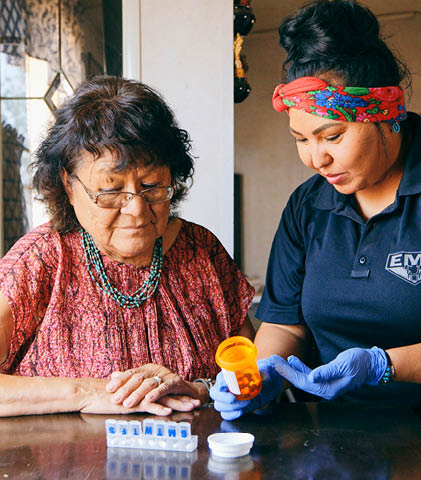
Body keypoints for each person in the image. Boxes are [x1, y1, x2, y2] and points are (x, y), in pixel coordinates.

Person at [211, 0, 421, 422]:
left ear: (387, 113)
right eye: (300, 139)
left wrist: (382, 366)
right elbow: (286, 324)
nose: (315, 159)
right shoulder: (307, 207)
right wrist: (261, 374)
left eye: (332, 136)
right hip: (327, 437)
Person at [0, 76, 255, 417]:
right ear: (69, 186)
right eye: (110, 190)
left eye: (152, 185)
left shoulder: (202, 250)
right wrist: (88, 392)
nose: (136, 208)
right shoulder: (42, 260)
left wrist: (201, 389)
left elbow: (250, 374)